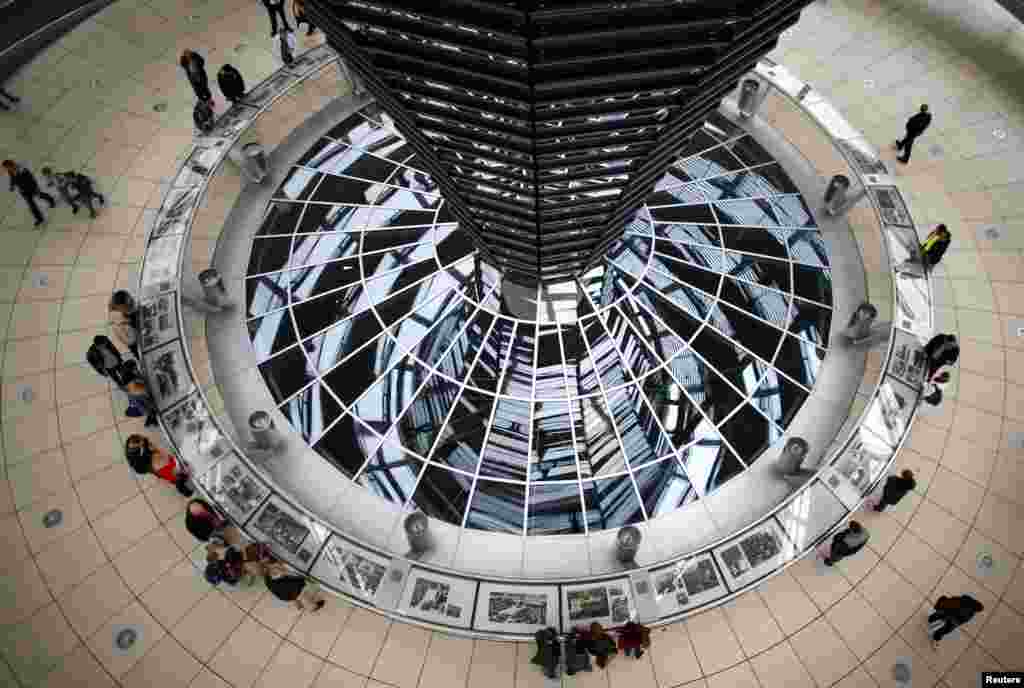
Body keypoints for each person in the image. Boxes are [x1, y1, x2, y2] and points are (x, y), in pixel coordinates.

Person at [125, 435, 193, 495]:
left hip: (180, 472)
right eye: (148, 442)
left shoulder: (152, 462)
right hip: (186, 471)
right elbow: (183, 464)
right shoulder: (158, 459)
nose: (150, 441)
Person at [3, 160, 57, 226]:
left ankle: (51, 200)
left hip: (32, 187)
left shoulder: (22, 169)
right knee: (32, 205)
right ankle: (39, 219)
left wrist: (36, 187)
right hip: (23, 191)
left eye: (7, 167)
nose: (7, 169)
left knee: (40, 196)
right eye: (6, 168)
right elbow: (12, 178)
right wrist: (12, 186)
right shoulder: (10, 171)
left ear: (11, 165)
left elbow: (31, 178)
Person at [109, 290, 140, 357]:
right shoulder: (118, 323)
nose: (132, 304)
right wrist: (137, 330)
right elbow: (131, 341)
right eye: (128, 305)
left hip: (141, 340)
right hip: (138, 347)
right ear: (120, 306)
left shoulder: (127, 313)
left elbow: (134, 310)